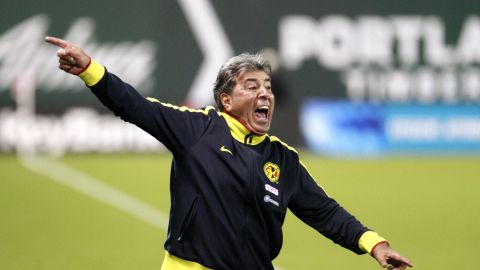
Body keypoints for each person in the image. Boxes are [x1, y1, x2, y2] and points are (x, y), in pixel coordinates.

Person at [45, 36, 413, 270]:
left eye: (267, 87)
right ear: (226, 100)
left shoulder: (283, 159)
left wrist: (374, 244)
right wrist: (90, 70)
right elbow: (135, 106)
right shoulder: (198, 129)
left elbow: (324, 211)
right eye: (251, 86)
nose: (264, 94)